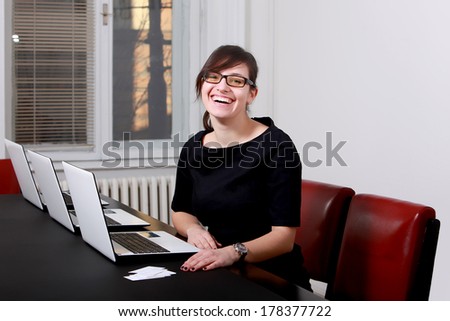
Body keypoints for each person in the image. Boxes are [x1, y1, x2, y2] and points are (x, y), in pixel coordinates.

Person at [171, 45, 311, 290]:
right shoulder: (194, 145)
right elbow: (181, 210)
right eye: (213, 77)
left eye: (235, 81)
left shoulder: (277, 146)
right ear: (202, 85)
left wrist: (233, 252)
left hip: (270, 277)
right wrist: (194, 230)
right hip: (218, 269)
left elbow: (283, 239)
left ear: (252, 94)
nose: (222, 86)